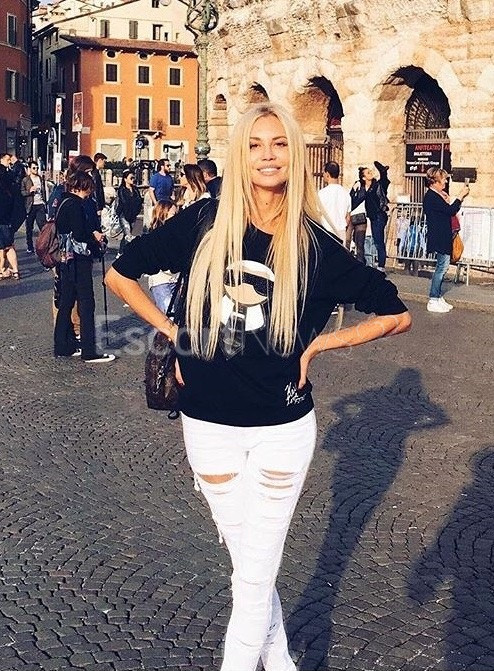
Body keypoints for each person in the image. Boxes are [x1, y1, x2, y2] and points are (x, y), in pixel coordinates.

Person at [105, 102, 411, 671]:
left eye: (279, 144)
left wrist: (320, 346)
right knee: (249, 564)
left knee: (254, 570)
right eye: (254, 144)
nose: (268, 155)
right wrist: (174, 332)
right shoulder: (205, 222)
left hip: (282, 431)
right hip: (207, 424)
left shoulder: (315, 245)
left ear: (295, 154)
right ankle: (282, 660)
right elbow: (120, 273)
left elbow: (396, 314)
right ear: (239, 155)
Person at [53, 170, 115, 363]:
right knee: (87, 303)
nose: (90, 193)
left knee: (66, 302)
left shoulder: (63, 202)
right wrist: (94, 237)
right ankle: (89, 350)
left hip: (66, 259)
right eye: (89, 188)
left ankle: (62, 346)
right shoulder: (76, 205)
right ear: (82, 187)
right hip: (79, 260)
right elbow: (79, 234)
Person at [423, 167, 469, 313]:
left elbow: (447, 211)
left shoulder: (436, 195)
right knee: (441, 268)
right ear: (435, 181)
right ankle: (433, 299)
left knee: (443, 267)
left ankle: (438, 296)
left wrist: (450, 200)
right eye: (443, 179)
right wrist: (460, 196)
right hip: (439, 236)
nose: (446, 181)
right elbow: (450, 211)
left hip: (443, 235)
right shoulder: (431, 197)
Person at [350, 162, 390, 271]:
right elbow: (354, 200)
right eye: (368, 173)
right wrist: (355, 187)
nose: (371, 173)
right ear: (363, 177)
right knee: (375, 240)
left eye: (371, 171)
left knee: (378, 241)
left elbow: (385, 182)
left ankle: (381, 266)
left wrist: (383, 172)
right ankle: (375, 265)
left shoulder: (377, 185)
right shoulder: (362, 187)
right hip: (372, 217)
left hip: (379, 215)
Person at [146, 199, 179, 313]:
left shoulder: (177, 233)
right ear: (163, 215)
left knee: (174, 315)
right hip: (160, 281)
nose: (177, 218)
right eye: (173, 214)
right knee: (168, 315)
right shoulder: (155, 235)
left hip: (176, 280)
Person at [317, 160, 350, 241]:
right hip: (341, 231)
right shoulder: (346, 193)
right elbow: (348, 217)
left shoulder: (322, 193)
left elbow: (317, 214)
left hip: (326, 230)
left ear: (327, 174)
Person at [21, 161, 47, 253]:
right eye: (34, 168)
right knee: (29, 227)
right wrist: (29, 191)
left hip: (40, 204)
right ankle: (30, 246)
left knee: (43, 227)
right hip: (30, 206)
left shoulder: (40, 178)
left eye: (37, 168)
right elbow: (22, 192)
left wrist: (45, 202)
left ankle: (44, 246)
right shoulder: (25, 180)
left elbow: (44, 191)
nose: (36, 169)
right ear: (29, 169)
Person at [116, 170, 143, 255]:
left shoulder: (135, 189)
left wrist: (137, 210)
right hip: (124, 215)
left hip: (133, 214)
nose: (133, 179)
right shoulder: (121, 190)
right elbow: (124, 202)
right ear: (125, 179)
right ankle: (124, 254)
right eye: (131, 178)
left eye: (133, 178)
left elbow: (139, 200)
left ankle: (121, 252)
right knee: (128, 234)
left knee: (128, 234)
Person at [0, 166, 19, 280]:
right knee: (9, 246)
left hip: (2, 222)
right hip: (7, 222)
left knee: (1, 248)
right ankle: (15, 271)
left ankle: (1, 271)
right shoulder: (9, 191)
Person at [91, 152, 107, 216]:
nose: (104, 164)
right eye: (104, 161)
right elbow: (96, 191)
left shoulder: (95, 173)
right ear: (100, 160)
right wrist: (98, 207)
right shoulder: (95, 174)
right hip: (96, 206)